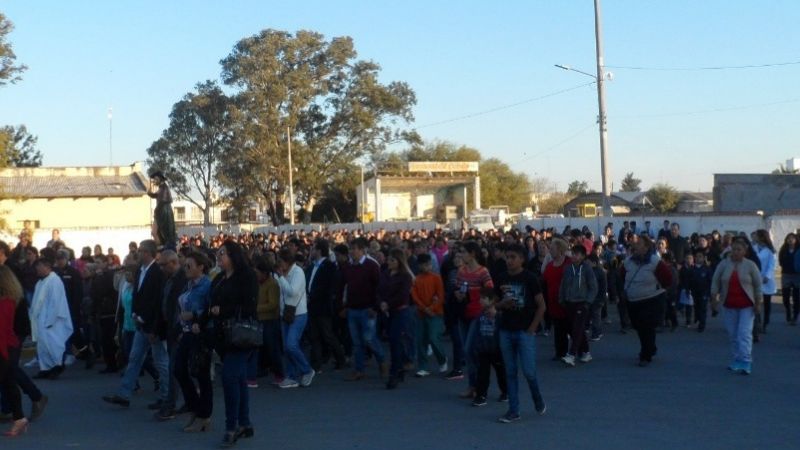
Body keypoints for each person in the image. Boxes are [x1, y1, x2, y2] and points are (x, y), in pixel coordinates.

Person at [102, 240, 169, 410]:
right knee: (134, 358)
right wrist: (135, 313)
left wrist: (155, 327)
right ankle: (124, 394)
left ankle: (166, 395)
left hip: (152, 326)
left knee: (161, 362)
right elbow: (138, 295)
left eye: (141, 251)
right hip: (140, 323)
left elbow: (157, 302)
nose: (138, 253)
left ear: (148, 252)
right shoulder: (140, 270)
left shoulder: (157, 273)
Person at [206, 240, 258, 447]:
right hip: (223, 336)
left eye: (223, 254)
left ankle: (232, 426)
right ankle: (244, 422)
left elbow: (249, 306)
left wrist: (224, 310)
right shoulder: (219, 278)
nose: (219, 257)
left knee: (229, 377)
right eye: (218, 254)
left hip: (241, 335)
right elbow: (211, 302)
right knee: (238, 378)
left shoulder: (246, 277)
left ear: (233, 256)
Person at [494, 244, 546, 423]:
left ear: (522, 259)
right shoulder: (501, 278)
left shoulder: (530, 278)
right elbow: (493, 304)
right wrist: (502, 305)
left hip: (525, 331)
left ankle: (536, 397)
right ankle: (513, 410)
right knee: (510, 372)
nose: (509, 260)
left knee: (529, 372)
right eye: (507, 257)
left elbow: (541, 305)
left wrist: (533, 327)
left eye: (513, 257)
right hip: (506, 330)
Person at [173, 251, 213, 433]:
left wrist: (195, 315)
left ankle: (204, 416)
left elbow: (210, 309)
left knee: (202, 375)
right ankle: (195, 407)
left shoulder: (207, 286)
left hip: (200, 333)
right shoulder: (189, 284)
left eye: (189, 266)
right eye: (185, 265)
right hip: (187, 331)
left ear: (201, 267)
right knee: (179, 369)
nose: (186, 269)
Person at [711, 238, 763, 375]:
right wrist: (714, 298)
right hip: (729, 304)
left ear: (745, 252)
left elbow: (758, 285)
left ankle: (746, 361)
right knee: (733, 334)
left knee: (744, 333)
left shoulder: (750, 265)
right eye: (733, 249)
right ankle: (736, 359)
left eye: (739, 250)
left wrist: (758, 302)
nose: (736, 252)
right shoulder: (723, 264)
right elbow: (715, 281)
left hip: (746, 305)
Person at [621, 236, 672, 367]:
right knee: (639, 327)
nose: (635, 245)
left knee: (646, 326)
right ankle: (651, 347)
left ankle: (645, 355)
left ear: (646, 247)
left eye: (638, 243)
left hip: (651, 300)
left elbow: (668, 278)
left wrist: (660, 291)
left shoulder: (655, 261)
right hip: (633, 300)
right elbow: (621, 276)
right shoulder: (628, 262)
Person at [341, 238, 387, 381]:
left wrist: (375, 307)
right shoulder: (348, 266)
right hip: (353, 309)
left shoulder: (371, 265)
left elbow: (379, 288)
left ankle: (382, 361)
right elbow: (346, 288)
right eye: (350, 249)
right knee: (357, 342)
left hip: (368, 309)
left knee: (369, 339)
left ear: (362, 250)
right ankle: (359, 370)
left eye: (354, 249)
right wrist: (345, 306)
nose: (352, 252)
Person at [455, 241, 494, 400]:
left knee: (469, 348)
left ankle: (478, 385)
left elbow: (490, 292)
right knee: (469, 351)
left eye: (464, 252)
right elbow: (457, 289)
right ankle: (473, 386)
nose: (461, 255)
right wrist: (458, 295)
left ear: (472, 254)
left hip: (478, 314)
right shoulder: (461, 272)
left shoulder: (483, 272)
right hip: (464, 312)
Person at [305, 240, 346, 374]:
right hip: (311, 306)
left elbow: (329, 287)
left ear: (319, 251)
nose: (311, 251)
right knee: (314, 336)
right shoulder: (311, 267)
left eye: (313, 249)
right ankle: (316, 364)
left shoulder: (329, 266)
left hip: (322, 306)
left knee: (328, 335)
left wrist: (314, 295)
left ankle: (340, 359)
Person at [154, 250, 187, 421]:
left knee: (174, 368)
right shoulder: (169, 279)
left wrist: (179, 329)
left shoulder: (182, 280)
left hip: (179, 330)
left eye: (163, 265)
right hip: (171, 329)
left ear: (173, 263)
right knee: (177, 368)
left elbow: (181, 307)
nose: (161, 268)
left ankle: (171, 404)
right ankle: (182, 401)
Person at [275, 248, 314, 389]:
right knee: (287, 348)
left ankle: (307, 370)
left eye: (281, 262)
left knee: (291, 344)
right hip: (285, 313)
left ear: (287, 262)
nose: (279, 265)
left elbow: (292, 291)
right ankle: (291, 376)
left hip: (298, 314)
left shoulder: (298, 272)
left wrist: (281, 278)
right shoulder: (284, 273)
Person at [30, 257, 73, 379]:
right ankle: (45, 368)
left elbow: (55, 302)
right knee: (42, 346)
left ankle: (57, 366)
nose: (36, 270)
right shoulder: (40, 282)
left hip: (52, 321)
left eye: (38, 267)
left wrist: (50, 321)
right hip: (41, 320)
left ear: (46, 267)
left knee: (54, 344)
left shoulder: (55, 281)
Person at [379, 249, 414, 390]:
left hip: (400, 311)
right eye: (389, 259)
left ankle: (394, 373)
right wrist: (381, 302)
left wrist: (388, 304)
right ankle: (400, 367)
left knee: (395, 341)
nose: (389, 262)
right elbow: (379, 290)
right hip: (387, 311)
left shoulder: (405, 276)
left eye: (393, 260)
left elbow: (403, 295)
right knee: (394, 342)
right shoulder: (385, 274)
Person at [558, 245, 598, 366]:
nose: (574, 256)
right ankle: (585, 352)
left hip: (582, 303)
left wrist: (588, 302)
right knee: (576, 329)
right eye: (573, 253)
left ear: (583, 256)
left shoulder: (587, 269)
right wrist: (561, 298)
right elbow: (563, 284)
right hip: (569, 302)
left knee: (577, 328)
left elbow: (593, 287)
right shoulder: (567, 268)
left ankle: (571, 354)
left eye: (577, 254)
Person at [0, 266, 28, 437]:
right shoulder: (11, 300)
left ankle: (19, 418)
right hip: (9, 346)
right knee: (9, 384)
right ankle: (19, 419)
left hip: (3, 348)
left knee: (8, 383)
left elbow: (2, 330)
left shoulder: (5, 302)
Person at [411, 253, 447, 377]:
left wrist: (431, 308)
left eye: (429, 264)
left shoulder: (436, 278)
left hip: (435, 313)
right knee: (421, 340)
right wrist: (424, 308)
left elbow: (441, 295)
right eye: (425, 265)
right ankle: (423, 367)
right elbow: (414, 296)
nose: (427, 266)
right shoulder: (417, 279)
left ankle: (442, 359)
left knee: (433, 337)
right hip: (422, 313)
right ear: (420, 266)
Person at [250, 256, 284, 386]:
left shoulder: (272, 284)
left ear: (264, 272)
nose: (255, 275)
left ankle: (279, 374)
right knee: (256, 349)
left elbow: (273, 304)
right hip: (259, 320)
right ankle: (255, 374)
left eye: (257, 273)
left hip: (270, 321)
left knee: (273, 349)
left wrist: (255, 308)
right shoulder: (257, 283)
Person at [471, 289, 508, 407]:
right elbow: (477, 331)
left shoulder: (499, 315)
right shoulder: (480, 315)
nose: (480, 300)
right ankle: (481, 395)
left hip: (496, 349)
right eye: (480, 298)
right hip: (483, 349)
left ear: (492, 300)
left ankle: (505, 391)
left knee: (501, 372)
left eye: (484, 298)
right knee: (482, 373)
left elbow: (503, 329)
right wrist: (477, 345)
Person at [541, 238, 570, 360]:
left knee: (571, 328)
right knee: (558, 329)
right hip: (553, 302)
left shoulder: (568, 264)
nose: (550, 251)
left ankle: (580, 350)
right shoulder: (549, 266)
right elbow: (544, 282)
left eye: (552, 249)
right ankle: (560, 352)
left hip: (568, 302)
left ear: (560, 250)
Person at [89, 255, 119, 374]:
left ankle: (112, 364)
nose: (97, 264)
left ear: (106, 263)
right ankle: (111, 363)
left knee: (108, 340)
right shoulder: (99, 276)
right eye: (95, 262)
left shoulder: (107, 276)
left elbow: (98, 294)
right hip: (103, 311)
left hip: (108, 312)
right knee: (106, 340)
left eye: (99, 262)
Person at [753, 230, 776, 333]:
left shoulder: (770, 250)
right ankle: (757, 322)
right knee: (755, 302)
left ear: (762, 237)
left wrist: (767, 276)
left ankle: (765, 323)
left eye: (756, 236)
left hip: (766, 279)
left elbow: (772, 265)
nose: (754, 238)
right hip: (755, 278)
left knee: (766, 303)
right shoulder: (753, 249)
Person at [148, 171, 177, 250]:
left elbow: (163, 200)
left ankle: (162, 246)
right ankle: (160, 246)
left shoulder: (164, 187)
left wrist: (157, 210)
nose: (155, 180)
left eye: (156, 179)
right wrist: (150, 192)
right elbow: (156, 196)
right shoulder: (161, 188)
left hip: (164, 211)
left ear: (160, 179)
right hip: (160, 211)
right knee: (155, 232)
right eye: (154, 179)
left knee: (162, 231)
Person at [778, 233, 800, 324]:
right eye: (788, 238)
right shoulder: (784, 250)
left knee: (796, 298)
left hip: (797, 275)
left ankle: (795, 317)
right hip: (786, 274)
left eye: (792, 238)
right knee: (785, 297)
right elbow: (780, 260)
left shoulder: (798, 250)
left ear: (796, 240)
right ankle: (788, 312)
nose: (790, 240)